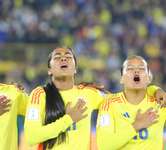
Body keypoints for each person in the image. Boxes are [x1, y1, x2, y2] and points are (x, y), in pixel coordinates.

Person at [24, 46, 163, 150]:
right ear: (49, 70)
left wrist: (154, 89)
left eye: (68, 56)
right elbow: (31, 137)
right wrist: (68, 119)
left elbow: (125, 96)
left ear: (75, 69)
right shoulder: (40, 95)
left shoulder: (88, 94)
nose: (63, 58)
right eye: (57, 57)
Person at [96, 55, 166, 150]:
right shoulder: (110, 105)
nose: (136, 71)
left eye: (141, 68)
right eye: (130, 68)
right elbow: (103, 145)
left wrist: (155, 89)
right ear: (121, 79)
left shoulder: (159, 103)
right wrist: (136, 125)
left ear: (149, 79)